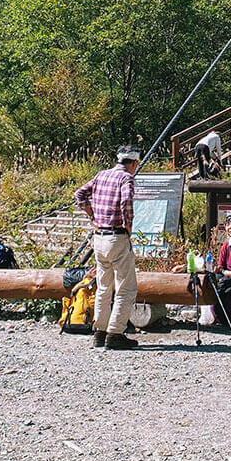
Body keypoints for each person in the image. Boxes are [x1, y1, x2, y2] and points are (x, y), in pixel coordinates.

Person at [74, 145, 142, 349]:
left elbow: (79, 194)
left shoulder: (102, 175)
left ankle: (99, 331)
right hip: (117, 236)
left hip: (99, 237)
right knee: (126, 288)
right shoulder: (126, 178)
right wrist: (128, 226)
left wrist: (92, 216)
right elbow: (127, 202)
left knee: (104, 287)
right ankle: (116, 332)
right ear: (134, 163)